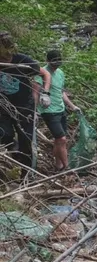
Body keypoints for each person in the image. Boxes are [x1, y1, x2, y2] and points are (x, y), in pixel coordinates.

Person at [0, 32, 52, 174]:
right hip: (3, 106)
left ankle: (27, 174)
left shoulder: (22, 60)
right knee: (4, 134)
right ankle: (14, 150)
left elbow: (45, 73)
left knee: (26, 141)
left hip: (24, 107)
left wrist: (45, 93)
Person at [38, 49, 80, 172]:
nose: (56, 65)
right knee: (62, 139)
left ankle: (58, 166)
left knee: (58, 140)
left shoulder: (60, 73)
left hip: (60, 109)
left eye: (58, 62)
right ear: (48, 61)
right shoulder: (41, 73)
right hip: (48, 111)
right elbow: (35, 90)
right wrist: (35, 110)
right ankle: (68, 168)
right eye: (54, 62)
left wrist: (72, 106)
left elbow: (61, 92)